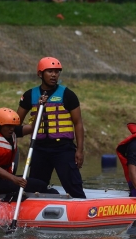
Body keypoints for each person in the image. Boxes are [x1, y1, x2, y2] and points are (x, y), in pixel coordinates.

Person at [16, 57, 86, 199]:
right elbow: (16, 122)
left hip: (63, 149)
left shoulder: (68, 95)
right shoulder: (30, 95)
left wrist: (79, 150)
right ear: (40, 74)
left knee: (73, 185)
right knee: (36, 186)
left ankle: (80, 208)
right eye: (50, 71)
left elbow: (78, 123)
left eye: (57, 72)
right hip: (39, 148)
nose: (54, 75)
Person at [0, 107, 58, 202]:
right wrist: (14, 179)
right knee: (31, 185)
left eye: (13, 126)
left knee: (40, 184)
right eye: (8, 126)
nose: (12, 129)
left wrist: (41, 108)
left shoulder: (11, 132)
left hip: (2, 179)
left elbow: (33, 128)